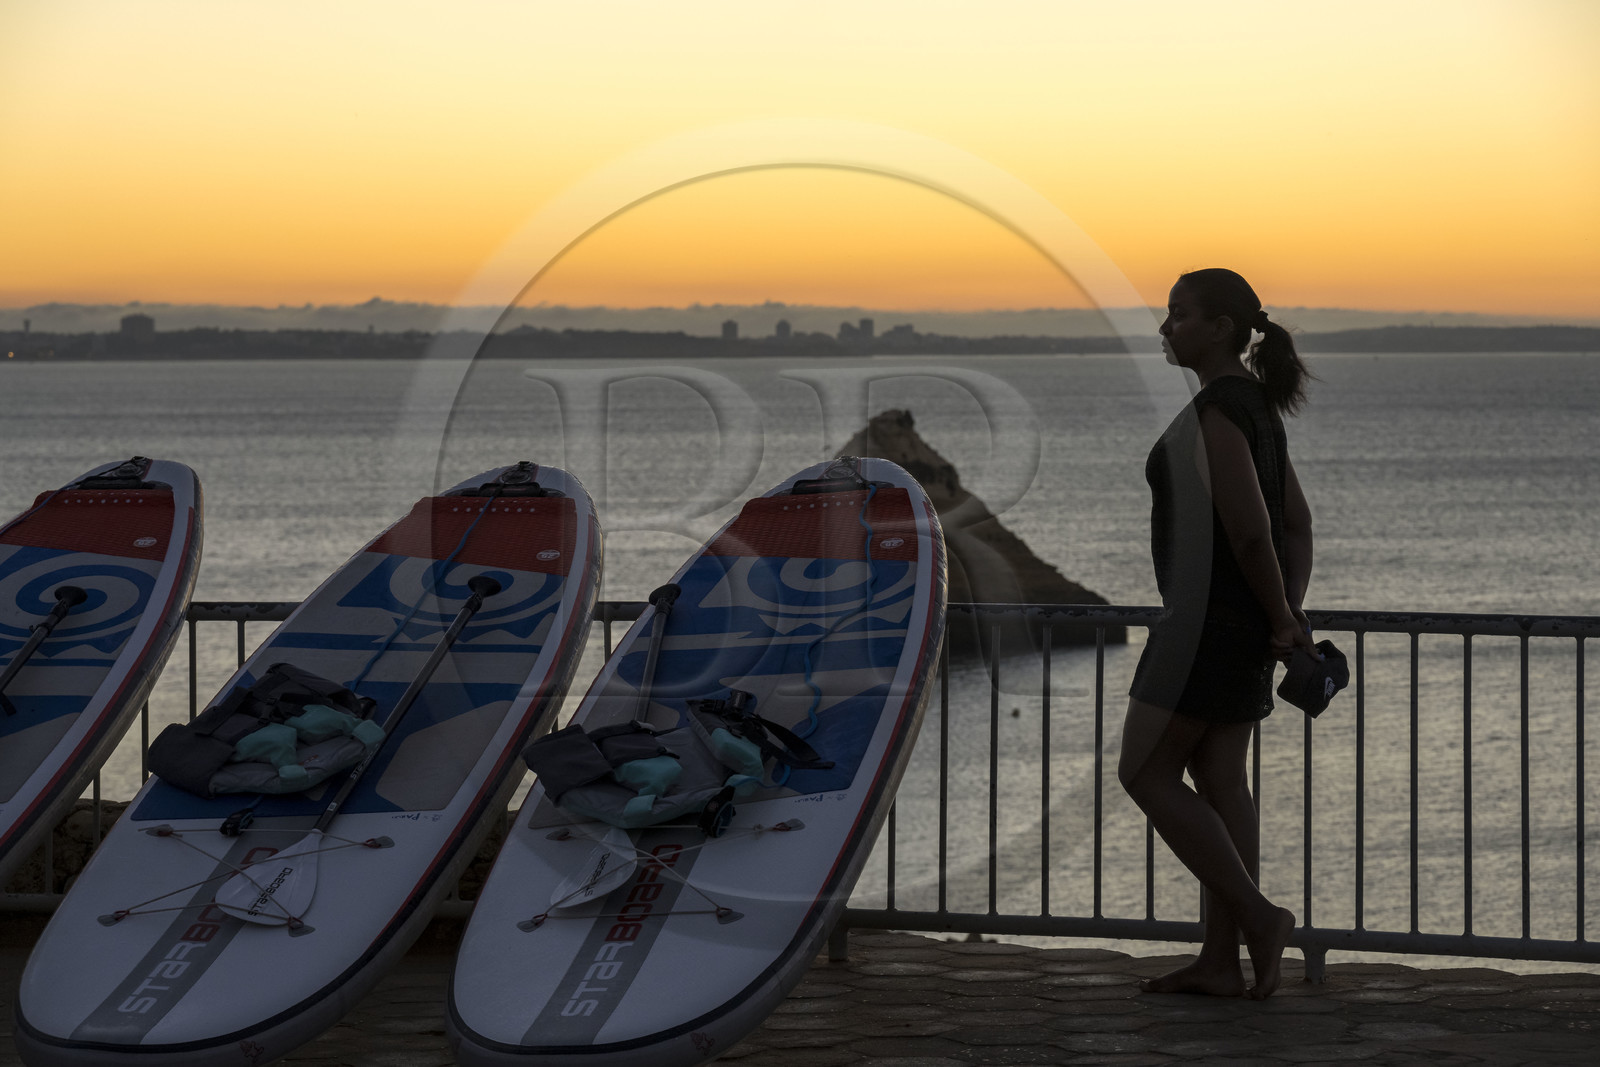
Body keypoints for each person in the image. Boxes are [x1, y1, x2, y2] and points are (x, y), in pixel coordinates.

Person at [1118, 267, 1317, 1000]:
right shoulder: (1257, 408)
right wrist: (1285, 613)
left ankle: (1261, 920)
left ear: (1221, 327)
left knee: (1142, 772)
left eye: (1179, 315)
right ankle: (1217, 960)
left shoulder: (1217, 413)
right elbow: (1294, 523)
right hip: (1243, 632)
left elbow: (1250, 528)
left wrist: (1279, 617)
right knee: (1223, 783)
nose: (1166, 328)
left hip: (1201, 627)